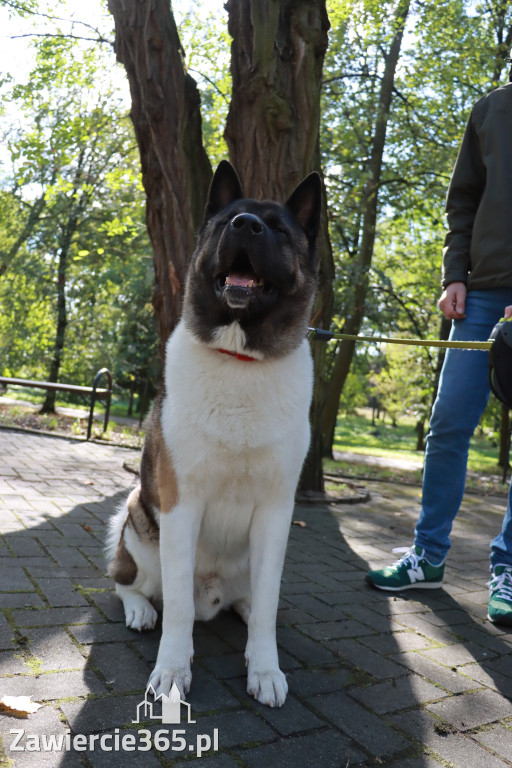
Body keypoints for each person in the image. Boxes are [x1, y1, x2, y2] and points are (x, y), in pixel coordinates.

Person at [365, 65, 512, 627]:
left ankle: (510, 571)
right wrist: (455, 274)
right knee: (448, 423)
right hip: (478, 296)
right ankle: (427, 557)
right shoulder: (491, 110)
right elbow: (463, 201)